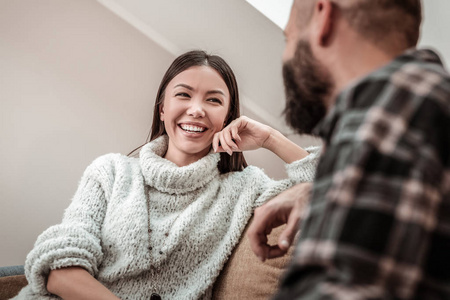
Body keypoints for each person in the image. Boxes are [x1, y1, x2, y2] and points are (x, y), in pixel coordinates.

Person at [14, 50, 320, 299]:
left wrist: (270, 138)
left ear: (228, 116)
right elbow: (60, 267)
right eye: (184, 94)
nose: (197, 109)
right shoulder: (110, 171)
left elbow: (333, 192)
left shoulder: (245, 188)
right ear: (163, 108)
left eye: (213, 100)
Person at [247, 0, 450, 298]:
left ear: (323, 15)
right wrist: (319, 193)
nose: (286, 57)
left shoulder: (391, 105)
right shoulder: (417, 105)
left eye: (289, 39)